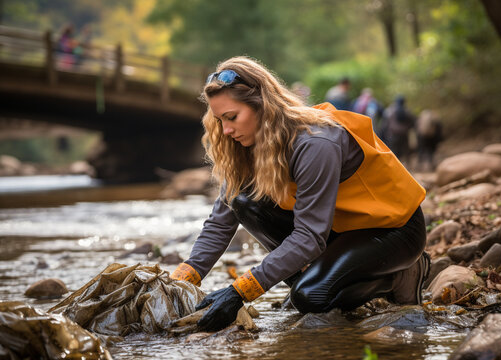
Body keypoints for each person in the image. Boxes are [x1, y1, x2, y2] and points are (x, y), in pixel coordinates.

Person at [170, 56, 430, 332]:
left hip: (392, 229)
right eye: (220, 120)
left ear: (262, 106)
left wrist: (240, 292)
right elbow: (220, 223)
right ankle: (318, 280)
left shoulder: (315, 142)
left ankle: (400, 277)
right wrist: (178, 284)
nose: (226, 130)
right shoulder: (244, 147)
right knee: (243, 202)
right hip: (339, 229)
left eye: (232, 117)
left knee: (310, 297)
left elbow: (309, 237)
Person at [380, 95, 416, 166]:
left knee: (394, 152)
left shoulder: (390, 110)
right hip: (404, 134)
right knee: (406, 152)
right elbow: (413, 122)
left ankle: (393, 167)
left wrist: (384, 134)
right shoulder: (407, 111)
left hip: (393, 134)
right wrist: (407, 128)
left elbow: (385, 124)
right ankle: (408, 167)